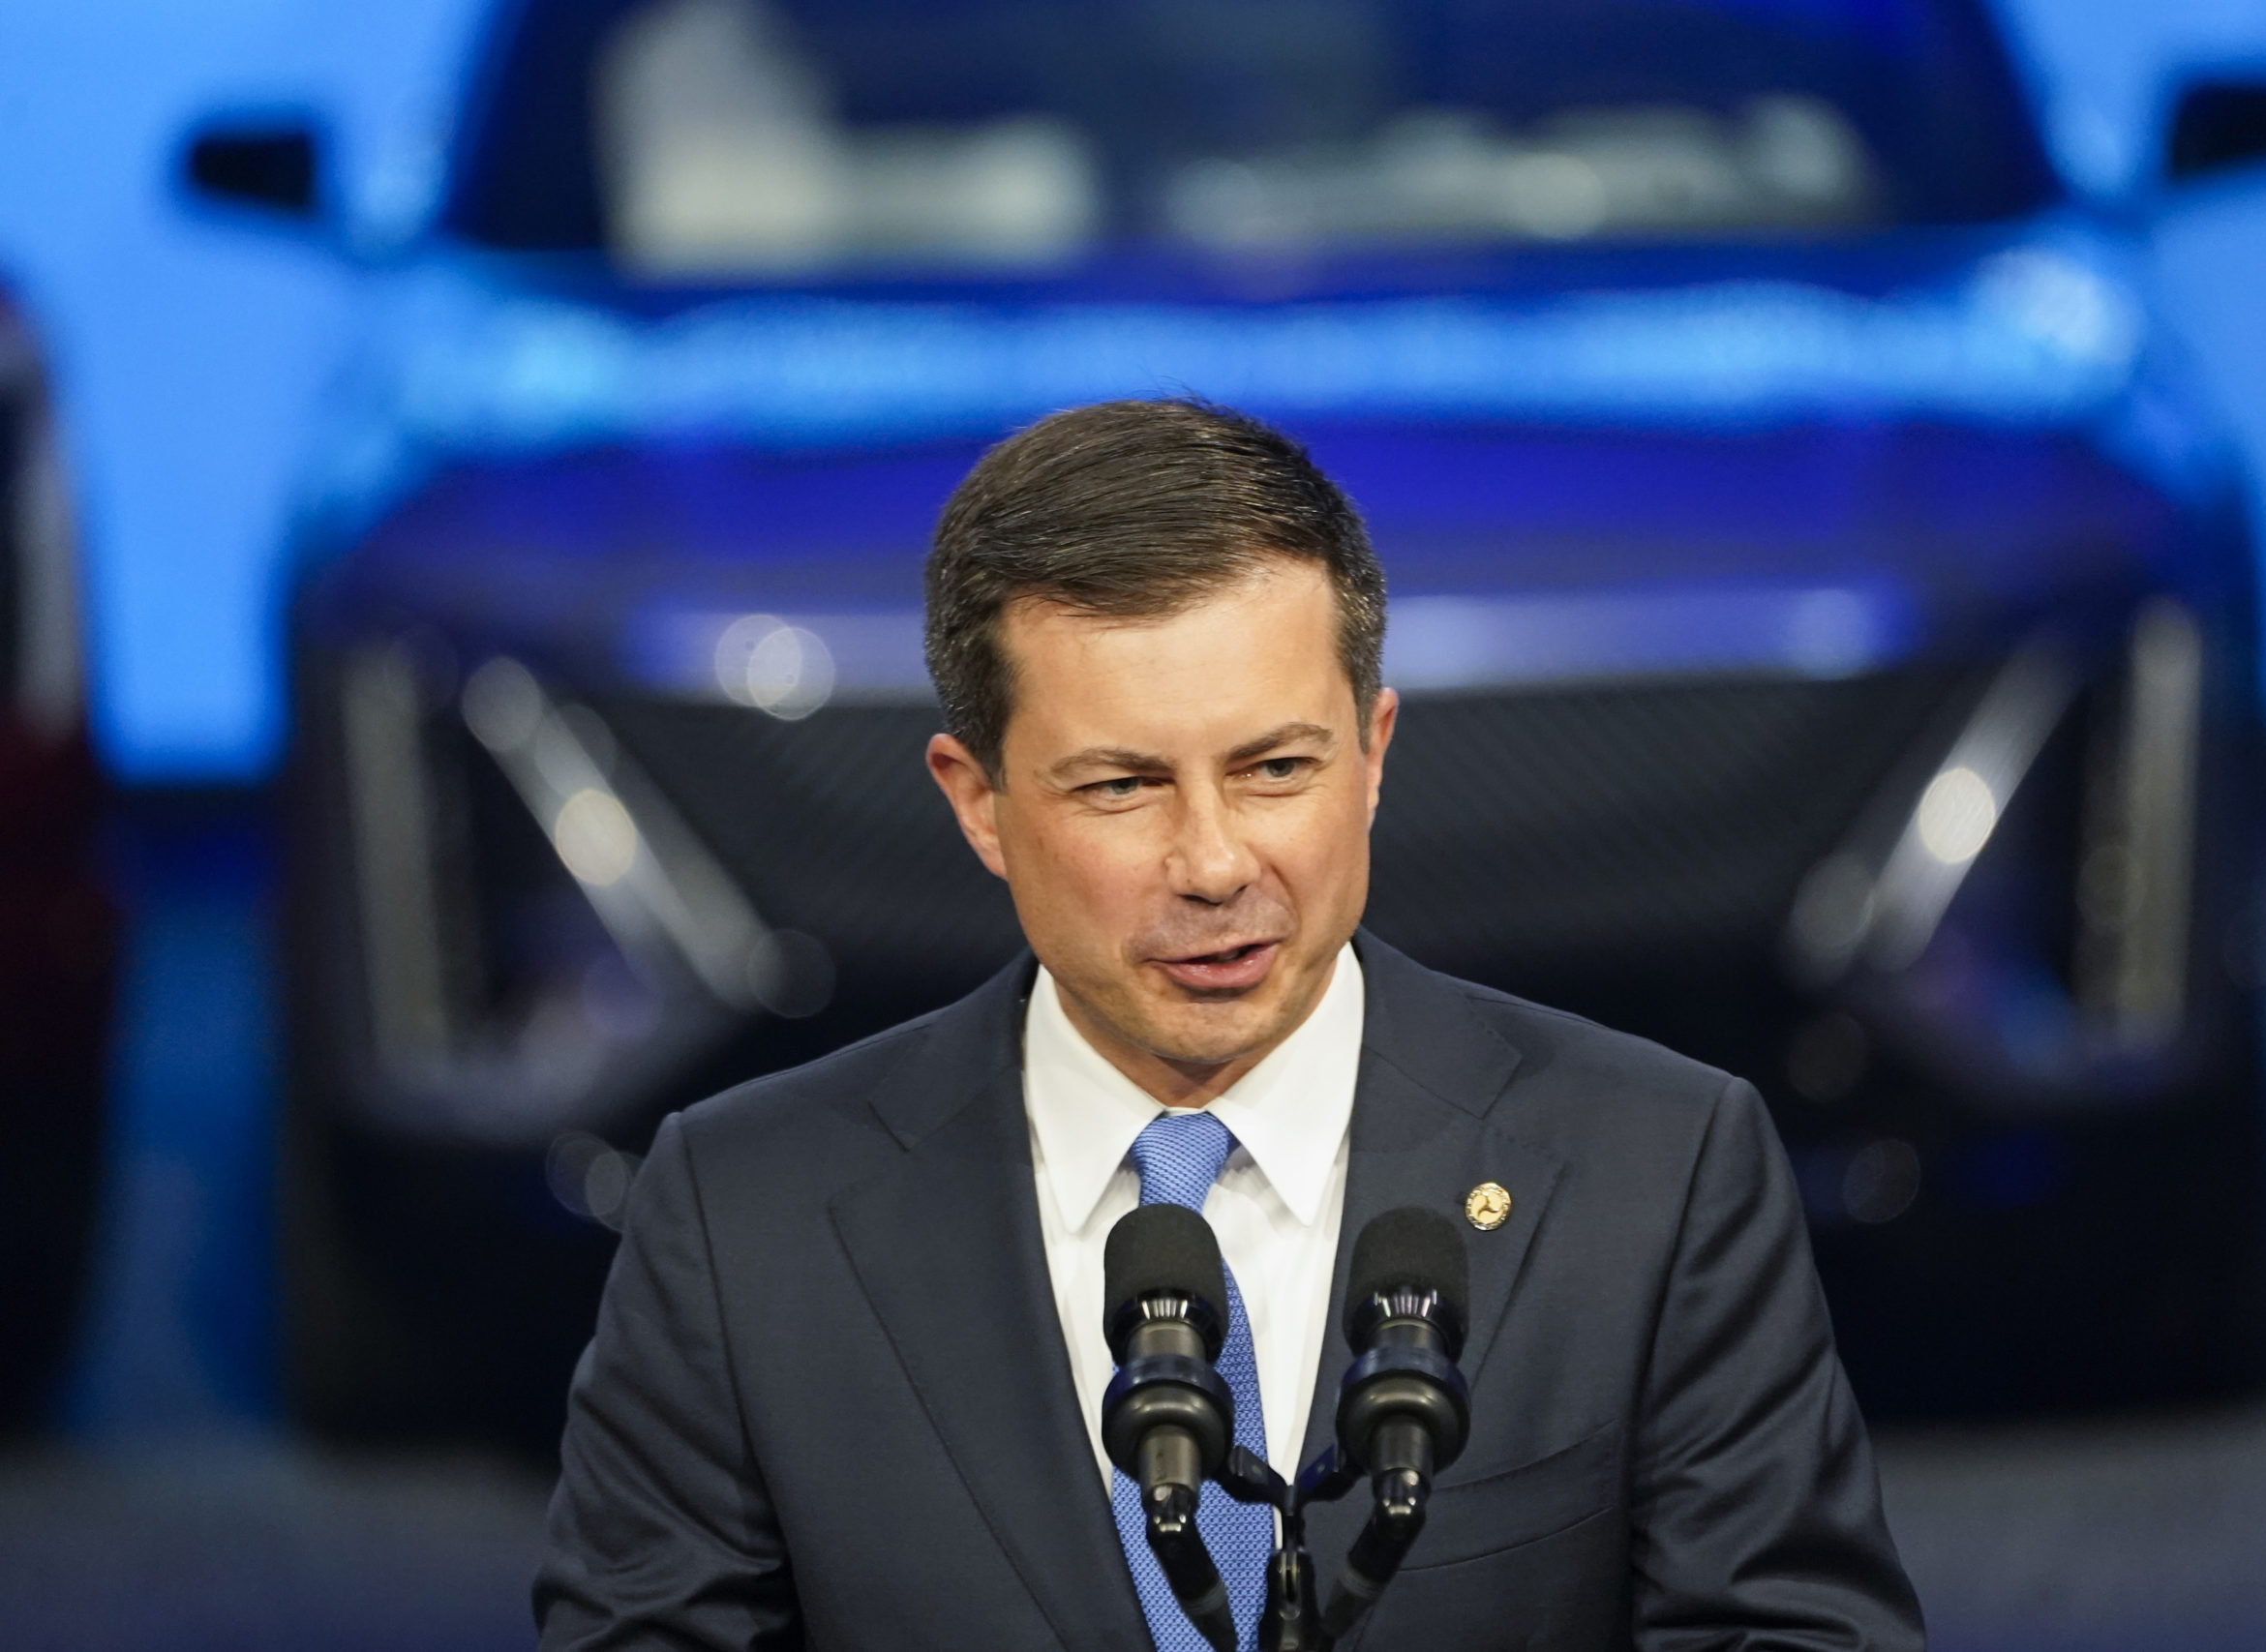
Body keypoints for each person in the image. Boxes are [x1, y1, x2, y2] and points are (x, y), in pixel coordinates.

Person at [535, 399, 1924, 1651]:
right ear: (977, 802)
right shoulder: (744, 1219)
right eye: (1123, 788)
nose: (1212, 863)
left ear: (1373, 754)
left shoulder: (1657, 1172)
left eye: (1274, 769)